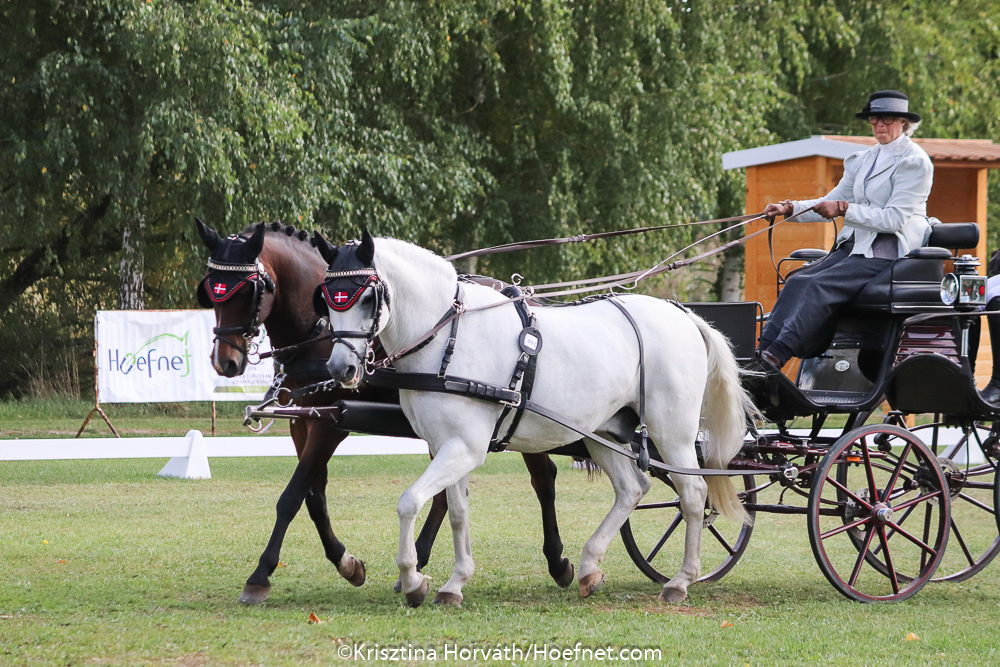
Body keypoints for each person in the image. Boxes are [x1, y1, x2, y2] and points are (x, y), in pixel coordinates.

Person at [757, 90, 934, 370]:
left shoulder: (914, 161)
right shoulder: (863, 159)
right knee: (797, 281)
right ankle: (760, 353)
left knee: (817, 285)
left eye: (887, 120)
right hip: (856, 246)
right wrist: (789, 208)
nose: (879, 125)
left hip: (889, 252)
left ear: (903, 122)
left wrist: (844, 209)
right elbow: (831, 199)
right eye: (874, 119)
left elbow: (894, 219)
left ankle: (776, 356)